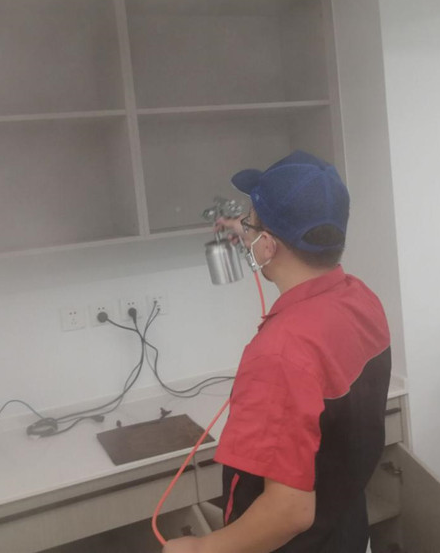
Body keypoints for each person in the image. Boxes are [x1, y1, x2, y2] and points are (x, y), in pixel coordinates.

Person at [163, 151, 391, 553]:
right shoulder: (361, 300)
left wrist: (200, 549)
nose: (246, 233)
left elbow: (289, 512)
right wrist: (253, 229)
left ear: (268, 245)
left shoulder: (280, 351)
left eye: (252, 225)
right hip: (345, 531)